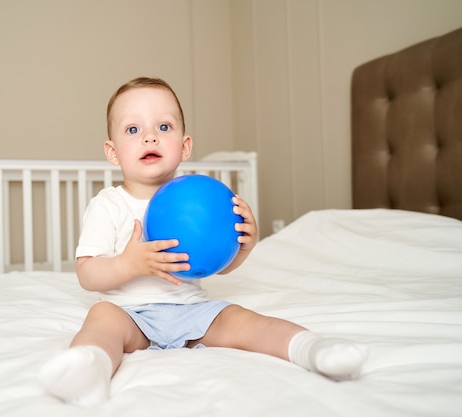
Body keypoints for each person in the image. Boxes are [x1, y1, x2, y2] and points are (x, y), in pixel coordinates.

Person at [39, 77, 367, 406]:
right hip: (129, 314)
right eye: (133, 130)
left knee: (245, 320)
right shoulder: (108, 204)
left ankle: (314, 350)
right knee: (102, 320)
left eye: (164, 126)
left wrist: (243, 247)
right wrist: (129, 264)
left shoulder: (202, 200)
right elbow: (87, 274)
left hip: (190, 310)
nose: (150, 136)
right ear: (112, 152)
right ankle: (90, 370)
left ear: (184, 146)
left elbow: (216, 266)